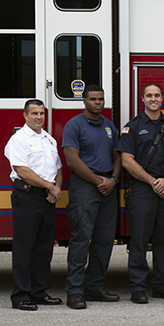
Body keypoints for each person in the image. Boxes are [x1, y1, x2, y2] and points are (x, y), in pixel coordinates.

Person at [118, 83, 164, 304]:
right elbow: (126, 160)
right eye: (149, 96)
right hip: (143, 190)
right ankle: (137, 288)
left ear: (162, 98)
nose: (153, 99)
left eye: (157, 95)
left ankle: (161, 286)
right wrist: (152, 181)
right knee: (139, 239)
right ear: (142, 99)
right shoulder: (132, 127)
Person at [62, 84, 122, 310]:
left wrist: (113, 179)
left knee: (104, 240)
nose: (98, 102)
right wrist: (99, 181)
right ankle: (75, 292)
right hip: (86, 187)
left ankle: (95, 287)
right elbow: (72, 160)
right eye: (93, 99)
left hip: (108, 186)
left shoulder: (109, 126)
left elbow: (117, 155)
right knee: (81, 239)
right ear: (84, 101)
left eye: (101, 99)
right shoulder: (74, 125)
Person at [4, 99, 63, 311]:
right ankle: (20, 296)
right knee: (24, 248)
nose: (39, 117)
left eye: (42, 113)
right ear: (25, 116)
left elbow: (58, 168)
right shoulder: (18, 140)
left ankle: (38, 292)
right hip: (27, 197)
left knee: (44, 248)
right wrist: (51, 187)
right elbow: (22, 171)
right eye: (35, 113)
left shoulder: (49, 140)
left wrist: (56, 189)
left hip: (47, 199)